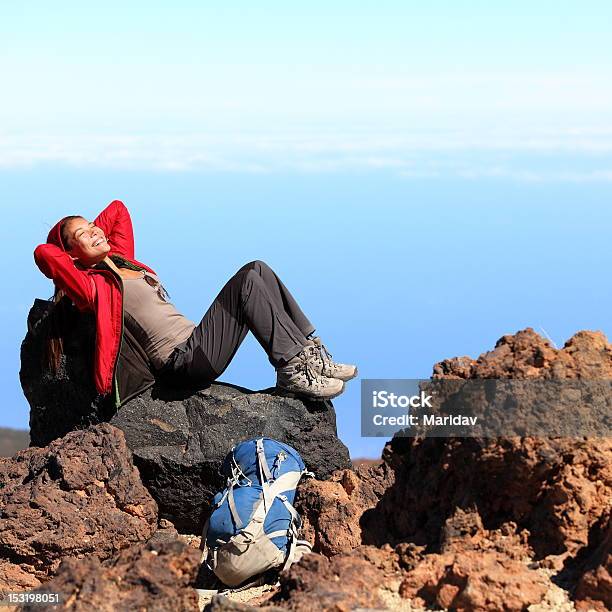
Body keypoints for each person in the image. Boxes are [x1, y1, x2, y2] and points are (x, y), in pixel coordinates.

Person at [34, 200, 357, 409]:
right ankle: (291, 370)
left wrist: (87, 233)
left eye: (93, 225)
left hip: (196, 344)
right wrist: (71, 246)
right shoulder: (92, 287)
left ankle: (310, 356)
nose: (95, 230)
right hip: (181, 363)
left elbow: (118, 210)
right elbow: (45, 254)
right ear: (72, 255)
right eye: (83, 234)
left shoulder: (124, 262)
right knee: (246, 283)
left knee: (257, 269)